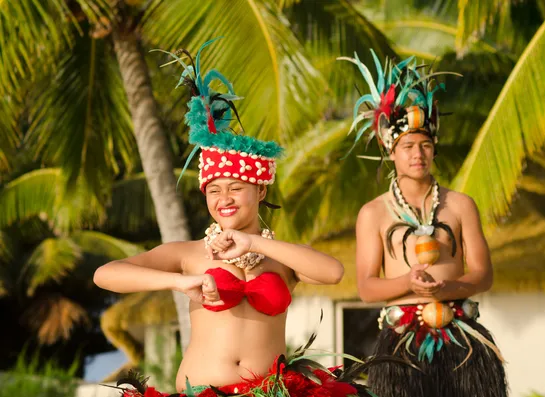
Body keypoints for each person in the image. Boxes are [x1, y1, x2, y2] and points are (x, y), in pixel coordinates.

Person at [94, 38, 374, 397]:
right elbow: (106, 275)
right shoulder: (188, 253)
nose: (223, 199)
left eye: (236, 188)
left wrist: (254, 243)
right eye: (214, 190)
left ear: (261, 191)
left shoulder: (281, 257)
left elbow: (333, 272)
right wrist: (181, 283)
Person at [339, 50, 508, 397]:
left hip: (462, 338)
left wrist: (445, 291)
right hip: (402, 344)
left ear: (434, 149)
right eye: (408, 146)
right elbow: (367, 288)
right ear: (391, 151)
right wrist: (408, 283)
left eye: (426, 145)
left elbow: (483, 275)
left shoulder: (460, 205)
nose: (418, 154)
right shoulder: (373, 213)